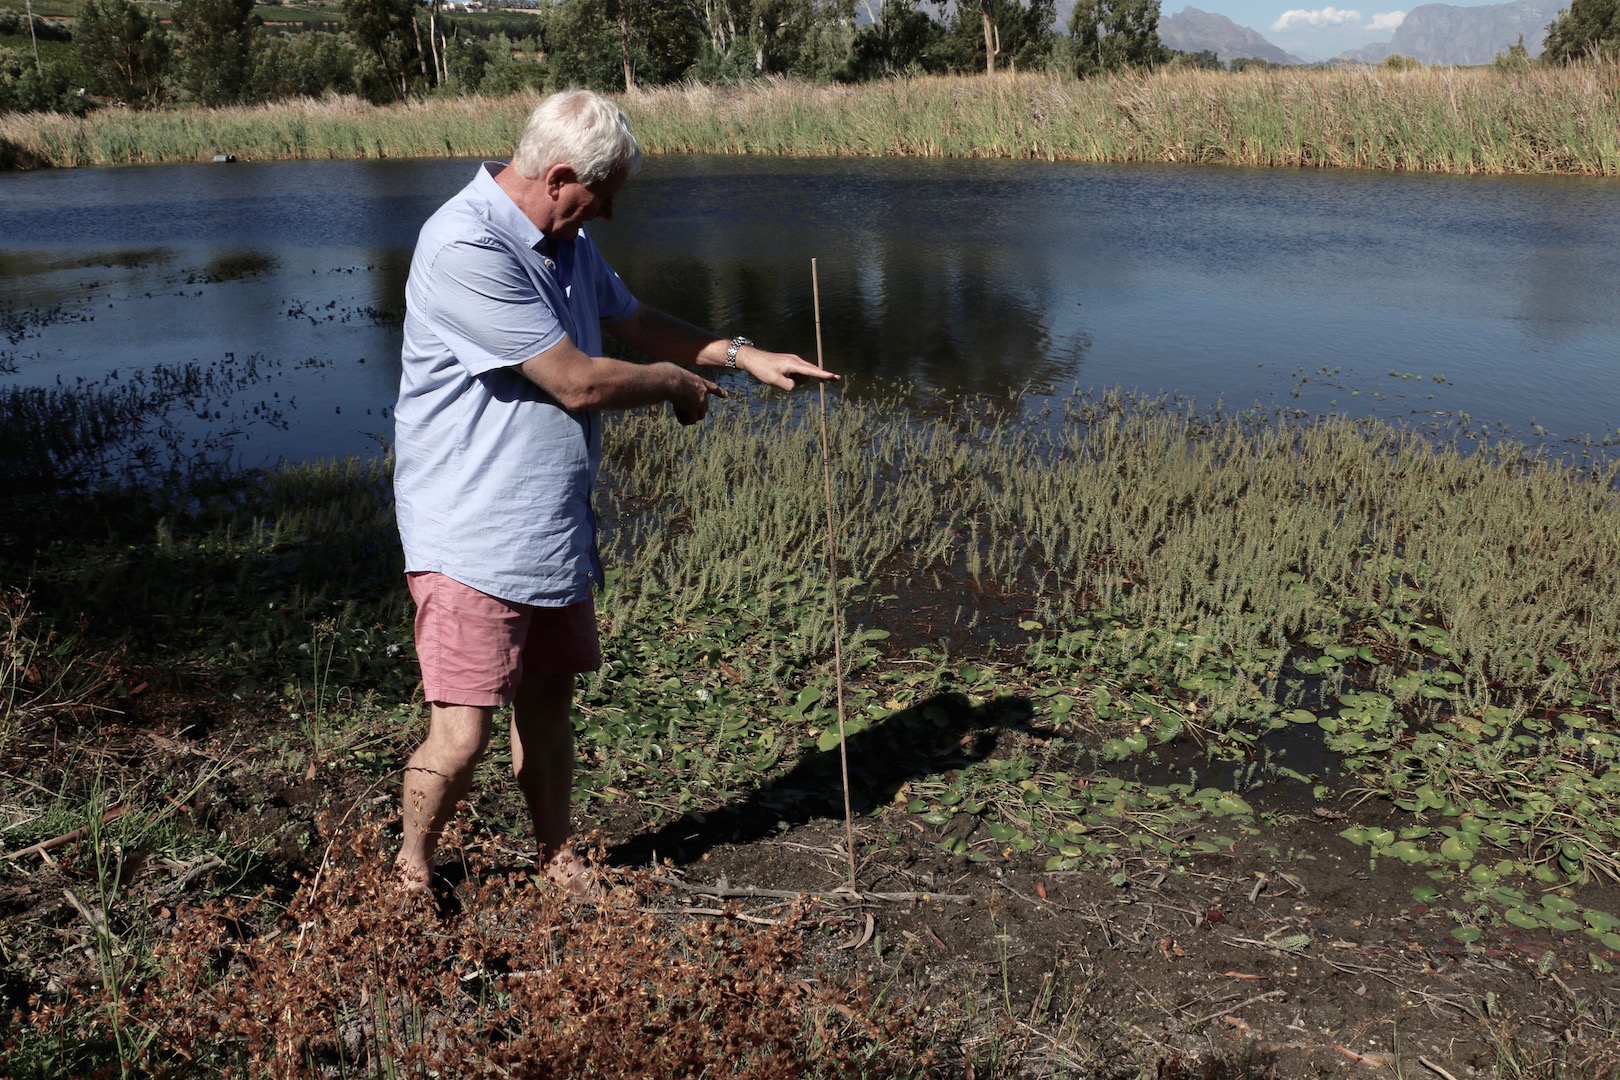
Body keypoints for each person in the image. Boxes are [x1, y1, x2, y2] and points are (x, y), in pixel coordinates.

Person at [391, 89, 837, 891]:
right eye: (606, 196)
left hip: (548, 526)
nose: (612, 213)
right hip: (466, 533)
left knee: (549, 709)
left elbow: (633, 320)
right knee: (461, 737)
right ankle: (410, 869)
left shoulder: (565, 242)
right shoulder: (466, 246)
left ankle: (557, 859)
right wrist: (675, 384)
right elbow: (577, 382)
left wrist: (742, 355)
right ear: (561, 177)